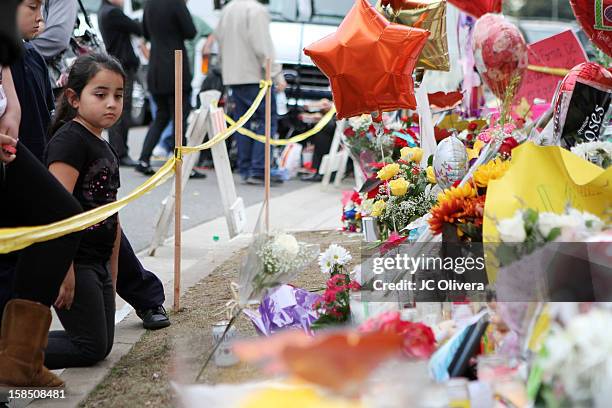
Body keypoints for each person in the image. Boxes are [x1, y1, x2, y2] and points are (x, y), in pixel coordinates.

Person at [0, 0, 83, 389]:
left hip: (8, 145)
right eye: (32, 5)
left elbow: (9, 91)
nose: (41, 17)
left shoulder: (15, 51)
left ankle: (20, 358)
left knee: (64, 217)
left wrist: (11, 113)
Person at [43, 53, 124, 369]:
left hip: (99, 261)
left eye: (118, 96)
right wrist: (64, 270)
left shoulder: (103, 144)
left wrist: (113, 270)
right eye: (100, 95)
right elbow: (54, 208)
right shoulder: (70, 142)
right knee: (90, 347)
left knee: (100, 345)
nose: (112, 104)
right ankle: (12, 352)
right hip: (74, 260)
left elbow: (111, 212)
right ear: (74, 98)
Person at [204, 0, 287, 185]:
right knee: (265, 122)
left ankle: (245, 167)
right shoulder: (255, 10)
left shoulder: (228, 9)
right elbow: (263, 47)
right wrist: (277, 74)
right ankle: (259, 168)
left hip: (234, 76)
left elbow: (220, 41)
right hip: (255, 76)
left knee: (243, 123)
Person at [136, 0, 197, 176]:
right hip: (174, 67)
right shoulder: (176, 3)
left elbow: (145, 33)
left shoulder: (149, 4)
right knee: (180, 116)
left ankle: (144, 158)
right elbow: (190, 32)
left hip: (156, 68)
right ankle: (181, 163)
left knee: (161, 116)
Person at [98, 0, 142, 167]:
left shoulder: (104, 11)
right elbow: (138, 28)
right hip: (122, 66)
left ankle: (119, 151)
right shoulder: (113, 13)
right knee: (121, 109)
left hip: (117, 66)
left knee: (117, 108)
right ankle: (120, 152)